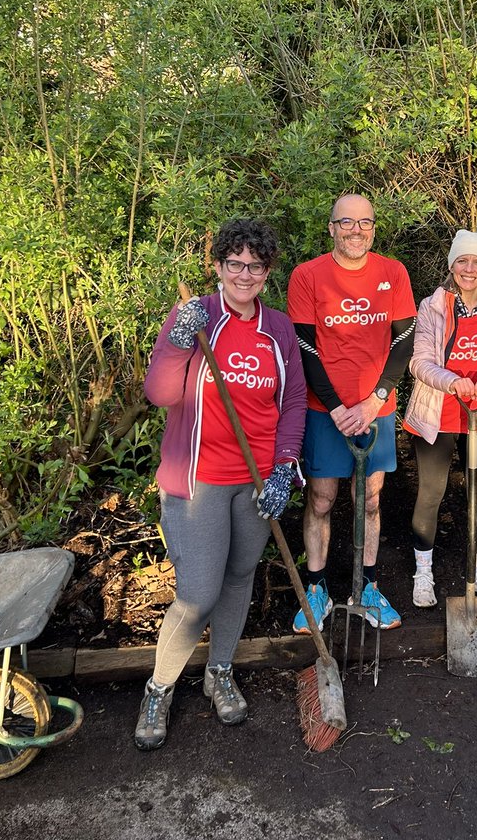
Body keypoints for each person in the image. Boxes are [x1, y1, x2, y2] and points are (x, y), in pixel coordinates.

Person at [134, 219, 306, 750]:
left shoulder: (278, 329)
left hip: (255, 483)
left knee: (239, 577)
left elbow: (293, 400)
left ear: (268, 272)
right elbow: (160, 393)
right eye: (235, 264)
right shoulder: (196, 317)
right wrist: (178, 342)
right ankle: (159, 687)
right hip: (198, 482)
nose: (245, 274)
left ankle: (220, 672)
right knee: (198, 592)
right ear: (218, 267)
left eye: (256, 265)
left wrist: (284, 467)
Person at [287, 193, 416, 633]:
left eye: (364, 223)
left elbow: (404, 341)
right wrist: (340, 408)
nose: (356, 230)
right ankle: (317, 587)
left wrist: (374, 400)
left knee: (372, 498)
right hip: (326, 410)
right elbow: (305, 347)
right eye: (346, 222)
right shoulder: (307, 276)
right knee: (322, 499)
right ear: (331, 227)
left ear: (373, 228)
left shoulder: (392, 272)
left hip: (376, 408)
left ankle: (368, 587)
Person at [403, 230, 477, 608]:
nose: (469, 269)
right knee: (431, 493)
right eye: (462, 261)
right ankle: (424, 573)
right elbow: (418, 361)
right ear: (452, 265)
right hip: (439, 412)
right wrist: (453, 381)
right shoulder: (433, 306)